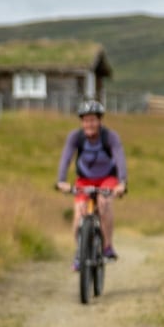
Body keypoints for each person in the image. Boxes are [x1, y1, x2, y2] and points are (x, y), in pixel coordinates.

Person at [54, 99, 128, 268]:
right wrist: (61, 181)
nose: (89, 124)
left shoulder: (110, 137)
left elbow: (119, 158)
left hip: (107, 179)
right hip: (84, 180)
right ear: (82, 122)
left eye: (93, 120)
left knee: (104, 203)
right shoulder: (75, 137)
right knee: (79, 215)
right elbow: (66, 158)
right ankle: (80, 252)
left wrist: (122, 183)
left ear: (100, 121)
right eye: (86, 120)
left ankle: (107, 246)